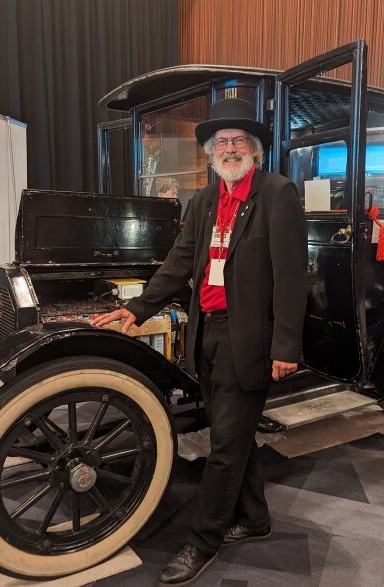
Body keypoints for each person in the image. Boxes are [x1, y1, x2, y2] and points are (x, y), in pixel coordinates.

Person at [89, 98, 307, 586]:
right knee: (236, 433)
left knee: (225, 445)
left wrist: (286, 348)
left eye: (238, 141)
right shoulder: (206, 200)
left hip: (249, 339)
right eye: (221, 143)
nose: (229, 149)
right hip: (206, 333)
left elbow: (292, 278)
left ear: (254, 150)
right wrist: (139, 307)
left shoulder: (277, 193)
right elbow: (181, 261)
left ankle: (202, 539)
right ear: (211, 152)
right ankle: (253, 518)